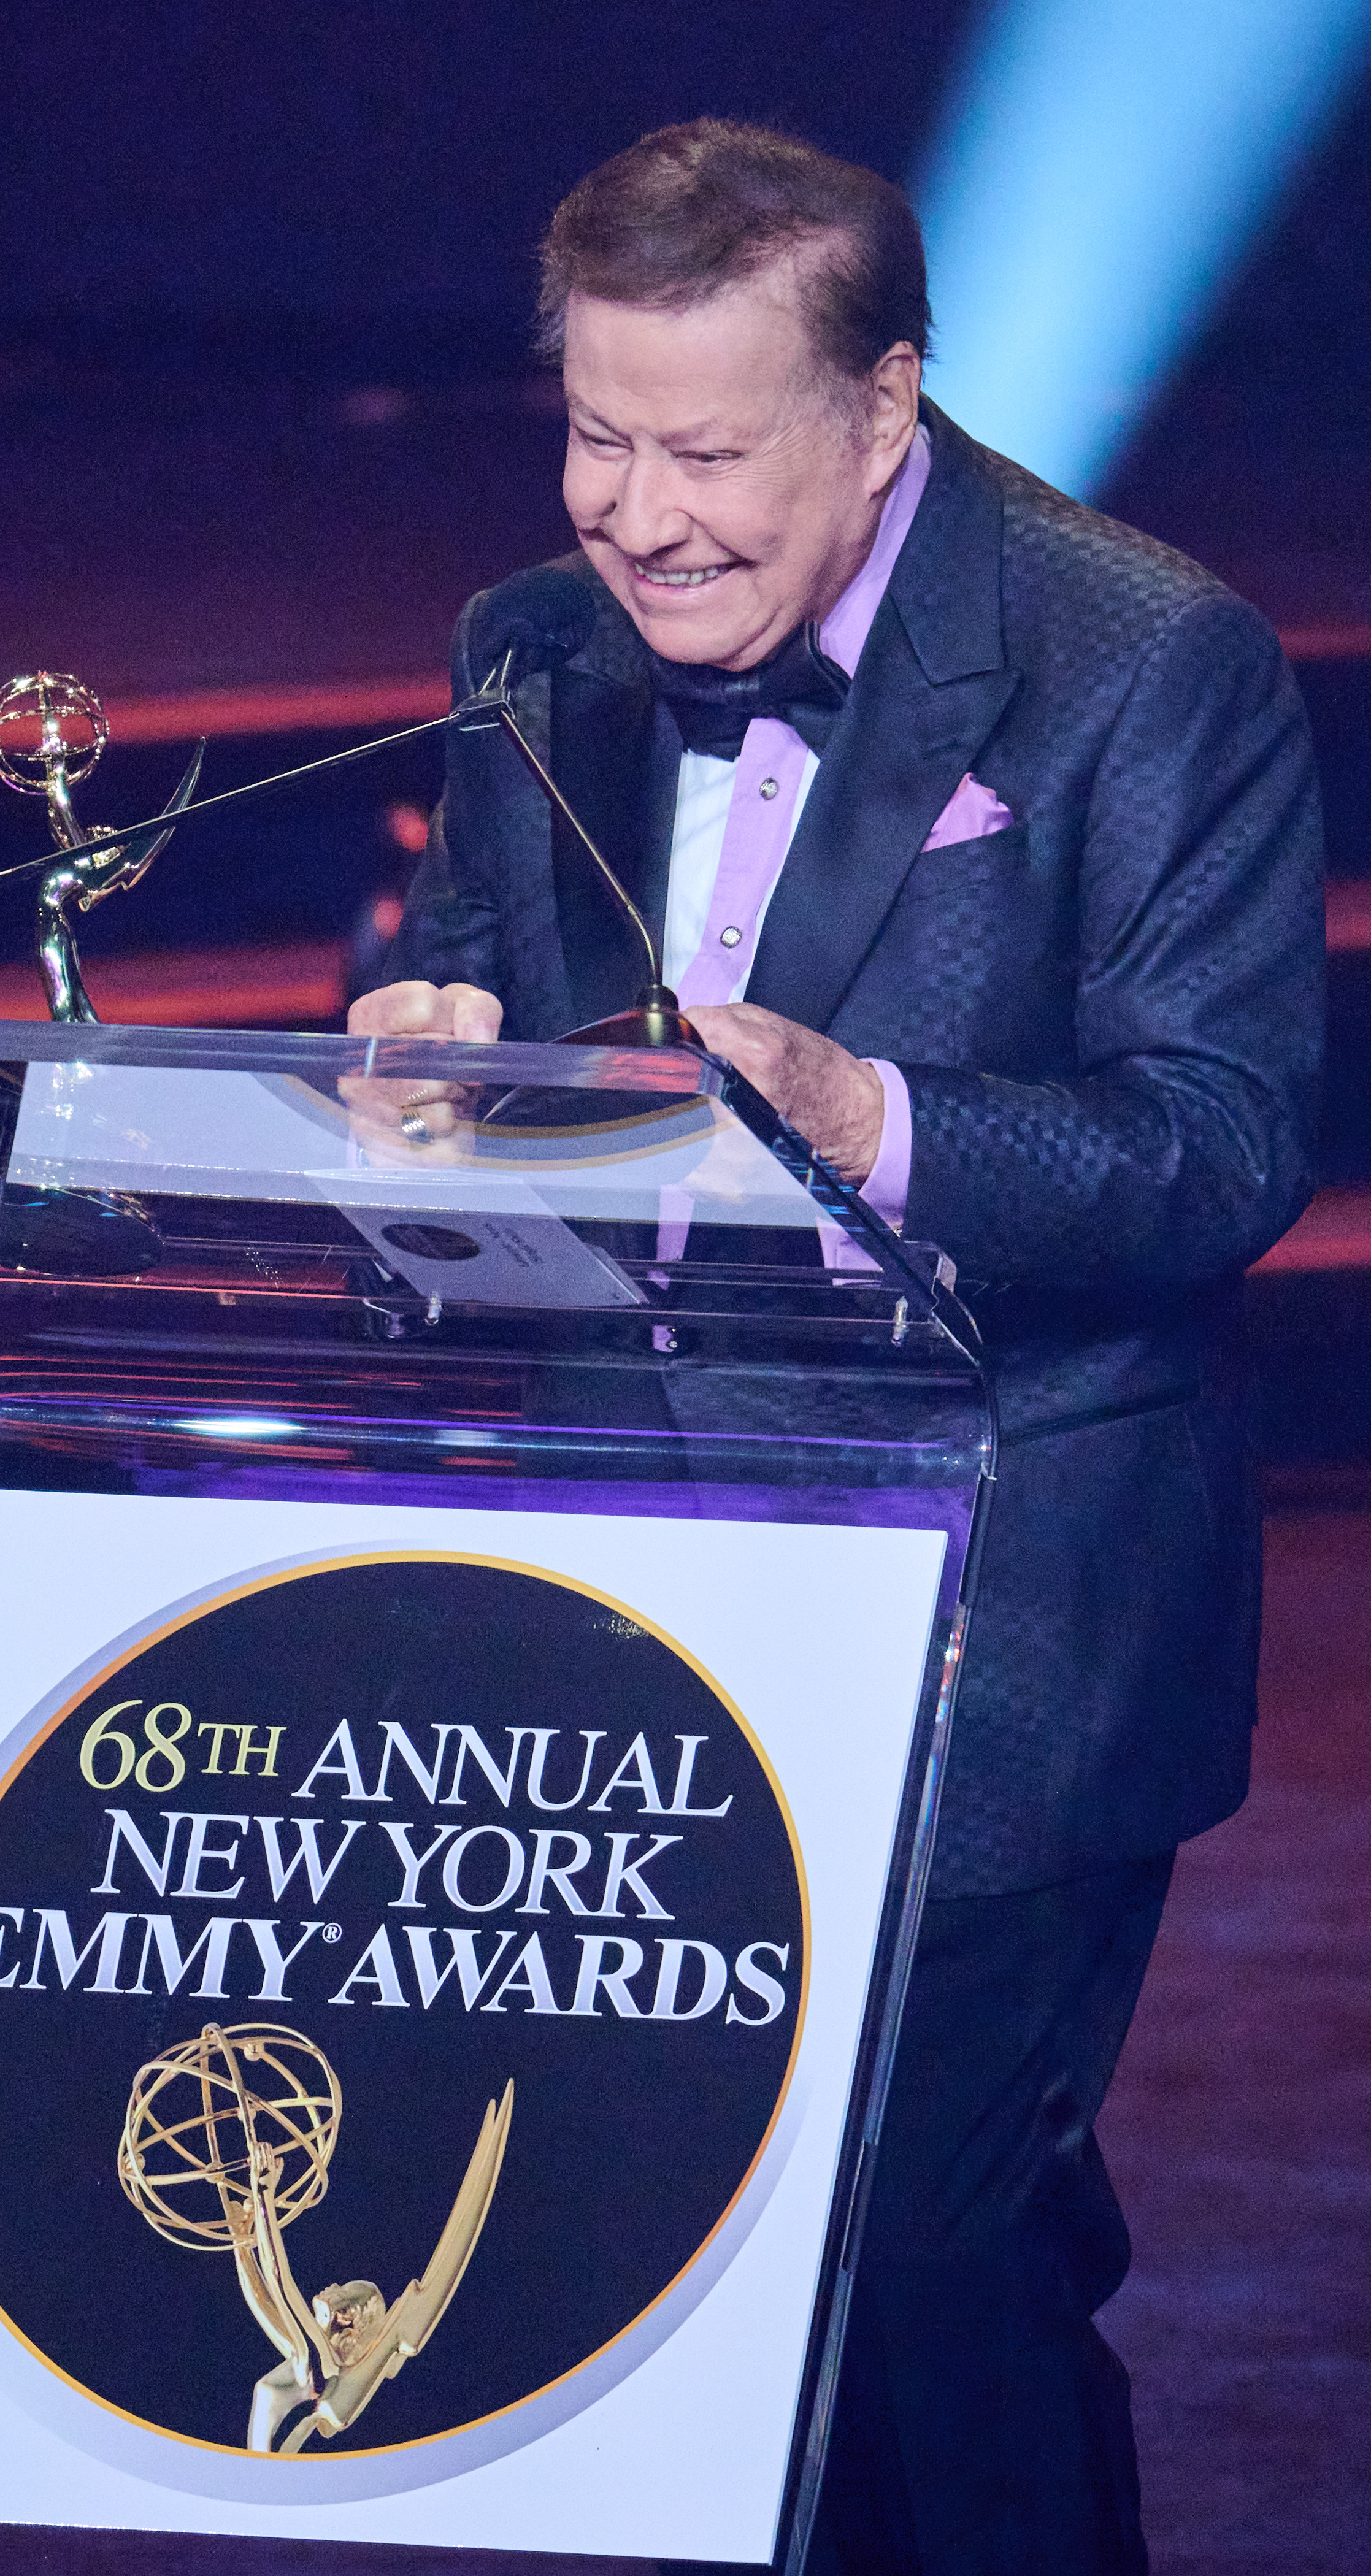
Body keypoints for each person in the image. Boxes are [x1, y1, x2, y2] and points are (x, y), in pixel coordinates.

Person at [349, 119, 1324, 2575]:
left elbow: (1222, 1150)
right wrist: (428, 1054)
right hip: (626, 1611)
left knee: (929, 2264)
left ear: (885, 407)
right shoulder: (526, 641)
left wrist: (874, 1115)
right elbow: (477, 976)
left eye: (706, 453)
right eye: (598, 439)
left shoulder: (1145, 659)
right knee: (669, 2272)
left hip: (998, 1610)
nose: (638, 516)